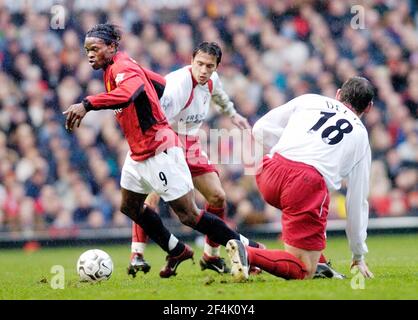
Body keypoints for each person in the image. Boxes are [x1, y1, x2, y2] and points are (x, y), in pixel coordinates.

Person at [63, 23, 262, 278]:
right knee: (129, 206)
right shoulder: (120, 68)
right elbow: (157, 83)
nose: (90, 54)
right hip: (141, 150)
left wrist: (88, 104)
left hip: (160, 148)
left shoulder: (122, 67)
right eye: (87, 49)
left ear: (112, 47)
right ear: (191, 61)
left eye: (95, 49)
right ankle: (176, 249)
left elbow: (131, 91)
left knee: (190, 215)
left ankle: (246, 247)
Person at [225, 77, 375, 281]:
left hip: (269, 171)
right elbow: (357, 201)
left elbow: (259, 129)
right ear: (368, 108)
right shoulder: (360, 136)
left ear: (339, 94)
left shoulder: (311, 100)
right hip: (304, 185)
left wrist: (288, 145)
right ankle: (249, 254)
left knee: (312, 223)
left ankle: (319, 261)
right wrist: (358, 254)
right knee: (304, 270)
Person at [128, 41, 251, 277]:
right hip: (165, 139)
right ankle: (137, 255)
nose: (204, 70)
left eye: (210, 66)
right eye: (200, 64)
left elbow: (221, 97)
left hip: (191, 142)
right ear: (191, 60)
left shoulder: (212, 81)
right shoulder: (177, 86)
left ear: (216, 67)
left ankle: (210, 257)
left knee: (218, 197)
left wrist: (234, 115)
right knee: (151, 198)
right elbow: (155, 117)